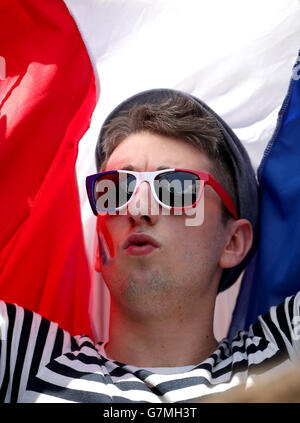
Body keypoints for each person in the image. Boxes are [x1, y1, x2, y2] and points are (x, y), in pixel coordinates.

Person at [0, 88, 299, 403]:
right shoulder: (24, 357)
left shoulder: (283, 356)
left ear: (233, 242)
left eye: (175, 189)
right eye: (115, 191)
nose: (137, 209)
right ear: (100, 245)